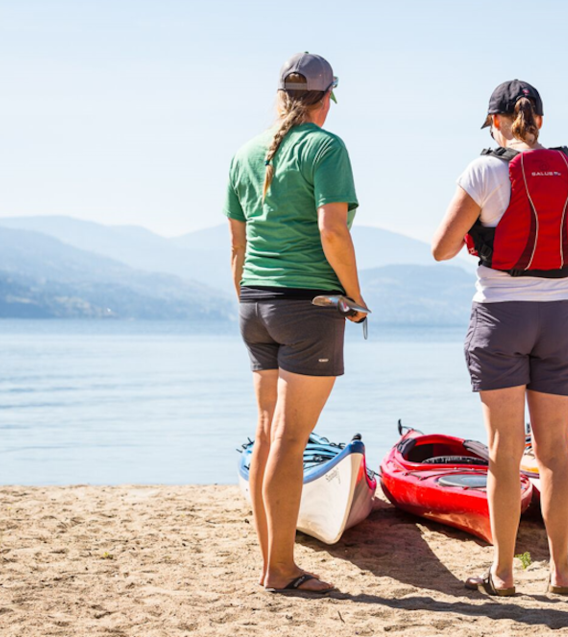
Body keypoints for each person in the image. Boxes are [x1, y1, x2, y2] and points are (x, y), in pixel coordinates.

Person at [431, 79, 568, 596]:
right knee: (555, 453)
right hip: (560, 318)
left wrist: (481, 237)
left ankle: (504, 575)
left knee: (503, 453)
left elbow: (441, 249)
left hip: (501, 318)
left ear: (495, 121)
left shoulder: (484, 169)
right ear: (539, 121)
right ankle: (560, 574)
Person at [224, 52, 366, 594]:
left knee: (267, 435)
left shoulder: (244, 152)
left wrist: (250, 301)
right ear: (327, 97)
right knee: (288, 437)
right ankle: (280, 569)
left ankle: (271, 564)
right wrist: (354, 298)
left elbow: (237, 246)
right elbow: (334, 233)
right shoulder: (325, 147)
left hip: (254, 305)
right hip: (308, 306)